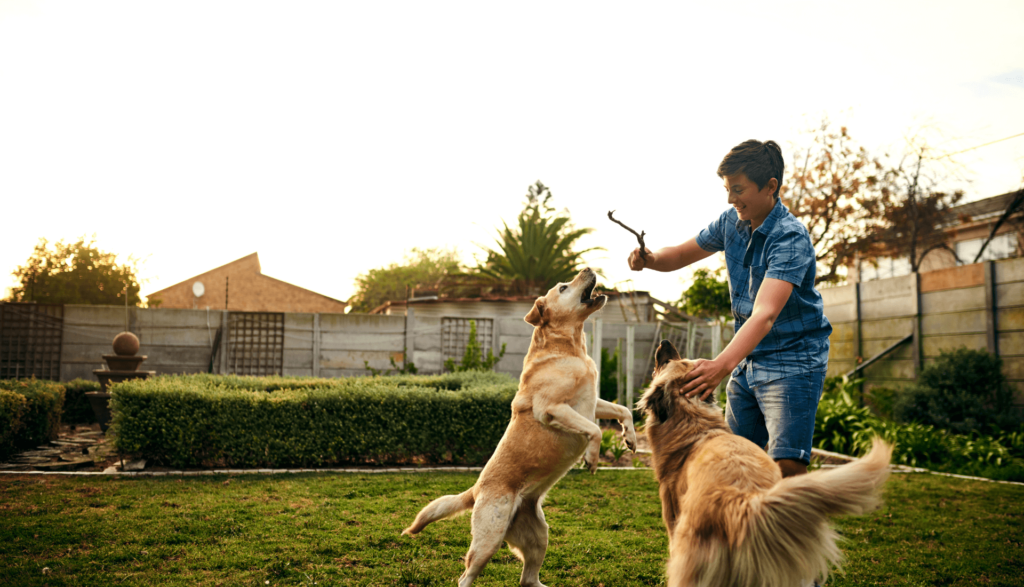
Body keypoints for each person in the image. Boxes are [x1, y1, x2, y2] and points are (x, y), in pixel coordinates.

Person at [627, 139, 832, 478]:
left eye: (738, 189)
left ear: (770, 187)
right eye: (726, 189)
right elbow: (678, 254)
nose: (730, 199)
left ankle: (788, 530)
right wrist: (650, 260)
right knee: (737, 462)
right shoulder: (730, 223)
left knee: (787, 466)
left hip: (794, 361)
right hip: (749, 359)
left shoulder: (790, 239)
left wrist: (721, 365)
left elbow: (765, 314)